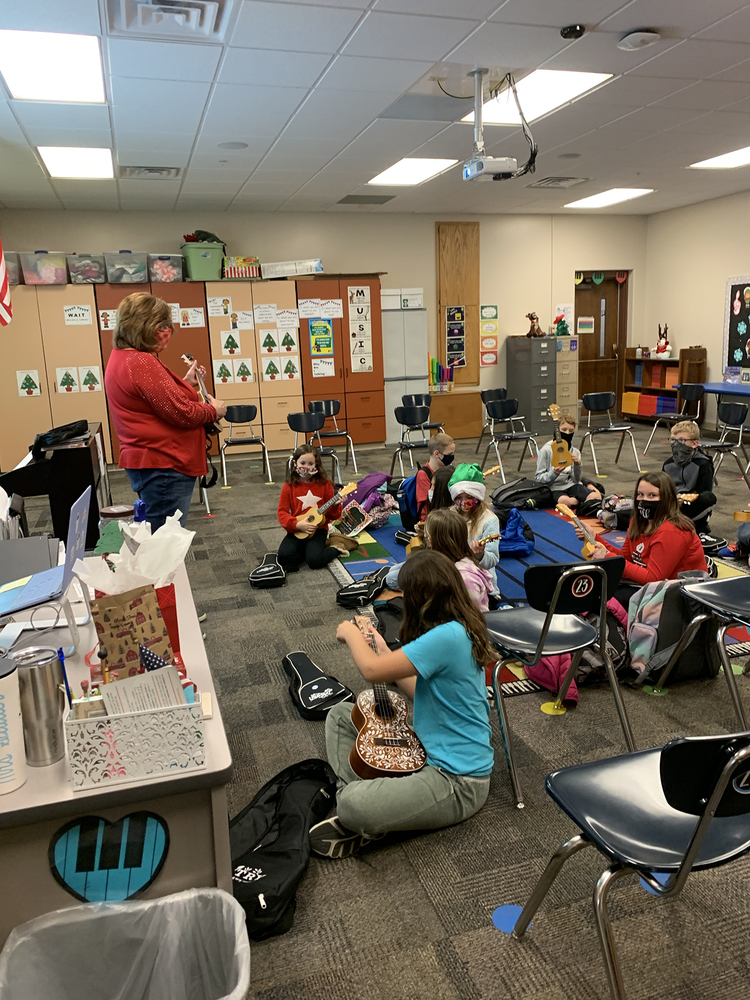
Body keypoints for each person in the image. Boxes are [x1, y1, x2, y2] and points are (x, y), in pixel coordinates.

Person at [309, 549, 494, 859]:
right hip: (430, 745)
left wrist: (352, 635)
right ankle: (380, 800)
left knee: (352, 804)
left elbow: (370, 671)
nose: (400, 597)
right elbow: (417, 689)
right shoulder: (455, 625)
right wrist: (382, 648)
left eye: (405, 592)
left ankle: (365, 808)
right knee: (342, 714)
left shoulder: (447, 636)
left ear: (420, 596)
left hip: (458, 781)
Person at [104, 292, 226, 531]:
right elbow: (183, 414)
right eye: (162, 325)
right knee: (163, 542)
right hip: (164, 464)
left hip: (154, 463)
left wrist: (184, 383)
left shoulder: (124, 358)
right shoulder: (141, 362)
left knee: (158, 536)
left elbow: (155, 401)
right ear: (145, 326)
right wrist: (214, 410)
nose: (167, 331)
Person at [575, 471, 707, 608]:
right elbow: (627, 558)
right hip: (656, 587)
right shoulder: (638, 521)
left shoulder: (672, 531)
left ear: (667, 498)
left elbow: (654, 578)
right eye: (640, 494)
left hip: (682, 594)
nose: (644, 500)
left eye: (652, 495)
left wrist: (608, 556)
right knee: (592, 586)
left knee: (607, 597)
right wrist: (594, 538)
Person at [277, 444, 342, 571]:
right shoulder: (289, 485)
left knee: (314, 561)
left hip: (318, 529)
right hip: (298, 528)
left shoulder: (325, 484)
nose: (306, 468)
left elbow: (332, 516)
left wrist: (335, 506)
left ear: (316, 464)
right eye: (303, 463)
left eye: (310, 464)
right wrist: (296, 524)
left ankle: (337, 548)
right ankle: (306, 549)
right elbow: (282, 512)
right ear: (295, 463)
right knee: (283, 558)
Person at [424, 508, 494, 611]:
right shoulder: (442, 563)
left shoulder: (466, 578)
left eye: (426, 535)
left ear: (431, 541)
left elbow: (473, 618)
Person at [448, 464, 500, 590]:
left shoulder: (489, 520)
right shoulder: (450, 514)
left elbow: (492, 559)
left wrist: (480, 555)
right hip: (452, 573)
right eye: (459, 498)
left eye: (469, 497)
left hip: (479, 580)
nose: (464, 502)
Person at [535, 412, 601, 510]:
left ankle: (584, 493)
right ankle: (580, 501)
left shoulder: (575, 452)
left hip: (572, 485)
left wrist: (578, 465)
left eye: (571, 431)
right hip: (554, 488)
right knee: (566, 502)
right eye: (564, 430)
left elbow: (576, 479)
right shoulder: (546, 450)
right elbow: (538, 478)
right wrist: (553, 473)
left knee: (596, 497)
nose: (567, 433)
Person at [661, 419, 716, 536]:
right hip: (671, 503)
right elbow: (663, 489)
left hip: (690, 504)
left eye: (682, 440)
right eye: (673, 440)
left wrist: (683, 498)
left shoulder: (703, 464)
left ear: (694, 443)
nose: (676, 444)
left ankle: (680, 523)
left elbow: (704, 492)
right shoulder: (668, 464)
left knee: (708, 497)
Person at [415, 433, 455, 522]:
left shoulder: (447, 470)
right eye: (450, 454)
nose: (452, 457)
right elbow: (423, 506)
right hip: (433, 520)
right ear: (437, 453)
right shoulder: (423, 475)